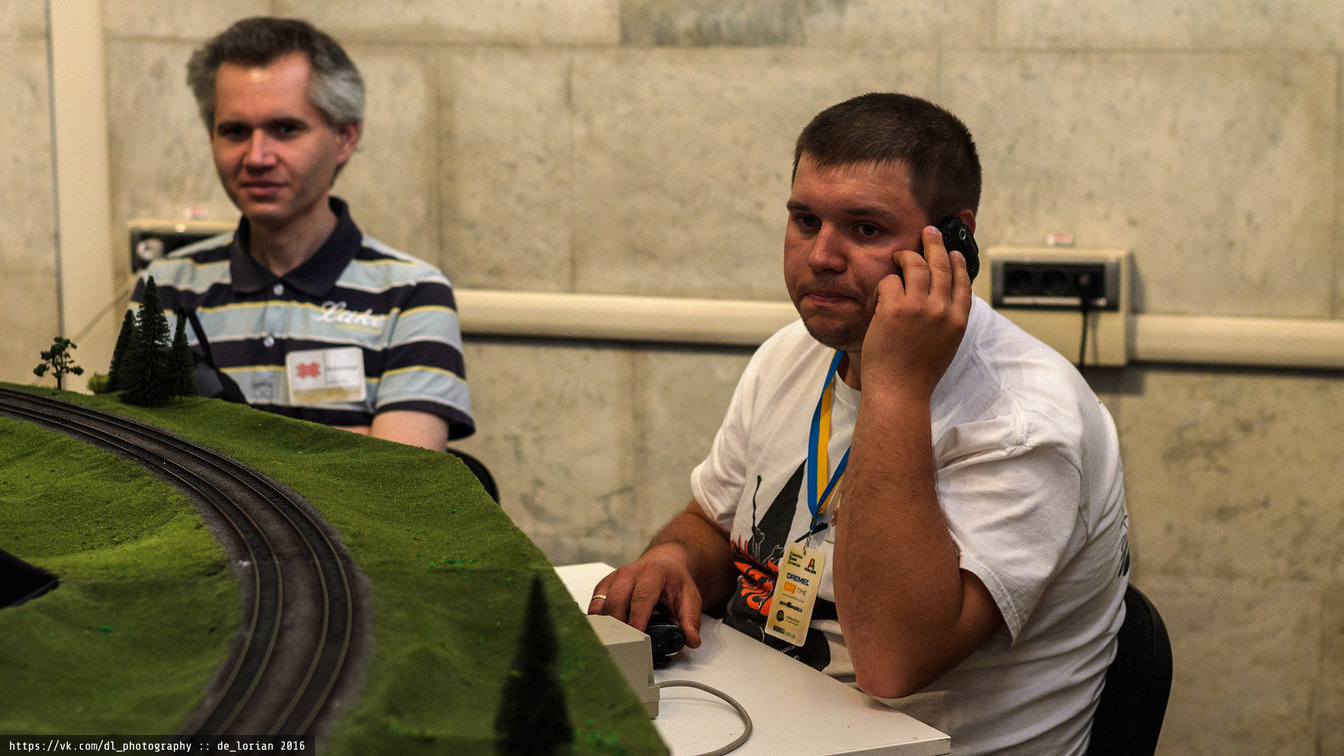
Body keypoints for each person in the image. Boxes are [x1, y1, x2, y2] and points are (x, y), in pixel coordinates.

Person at [590, 93, 1129, 755]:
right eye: (805, 220)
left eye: (865, 229)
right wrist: (674, 559)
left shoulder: (1026, 419)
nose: (821, 255)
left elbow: (891, 663)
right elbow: (711, 520)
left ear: (954, 240)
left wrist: (894, 384)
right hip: (757, 719)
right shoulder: (790, 354)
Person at [131, 17, 473, 450]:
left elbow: (402, 476)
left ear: (345, 139)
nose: (257, 156)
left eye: (285, 129)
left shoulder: (412, 296)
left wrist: (213, 443)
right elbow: (143, 460)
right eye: (235, 131)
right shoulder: (165, 288)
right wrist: (355, 440)